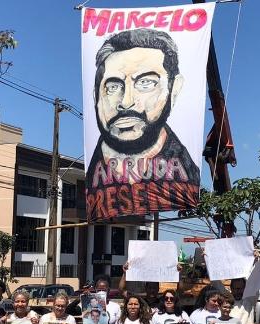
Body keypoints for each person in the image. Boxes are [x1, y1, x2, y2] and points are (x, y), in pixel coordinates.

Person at [86, 28, 201, 220]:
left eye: (146, 82)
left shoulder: (188, 173)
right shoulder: (91, 176)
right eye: (113, 86)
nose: (126, 101)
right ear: (95, 95)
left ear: (174, 90)